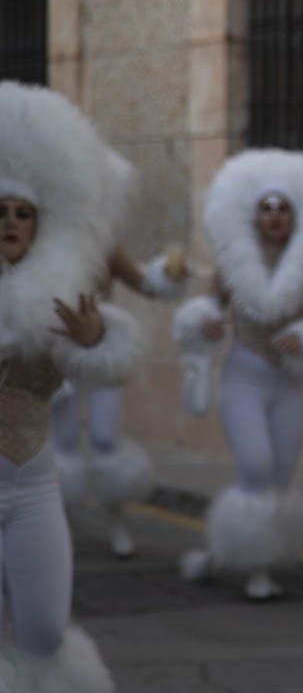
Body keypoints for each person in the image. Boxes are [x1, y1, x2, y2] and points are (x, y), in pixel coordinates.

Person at [0, 80, 138, 692]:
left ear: (39, 225)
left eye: (22, 213)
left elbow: (108, 357)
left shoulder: (58, 301)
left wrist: (91, 337)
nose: (10, 223)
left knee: (45, 630)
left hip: (31, 487)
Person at [173, 148, 303, 600]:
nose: (274, 217)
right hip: (243, 377)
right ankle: (247, 565)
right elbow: (209, 309)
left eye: (282, 209)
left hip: (287, 382)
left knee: (283, 474)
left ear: (294, 216)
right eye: (266, 208)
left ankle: (238, 556)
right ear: (254, 214)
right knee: (255, 466)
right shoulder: (233, 264)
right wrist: (206, 322)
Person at [52, 196, 188, 558]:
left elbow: (144, 284)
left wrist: (169, 274)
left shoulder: (105, 247)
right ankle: (58, 529)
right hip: (58, 355)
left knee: (104, 439)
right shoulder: (42, 247)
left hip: (102, 354)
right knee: (61, 444)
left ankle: (117, 521)